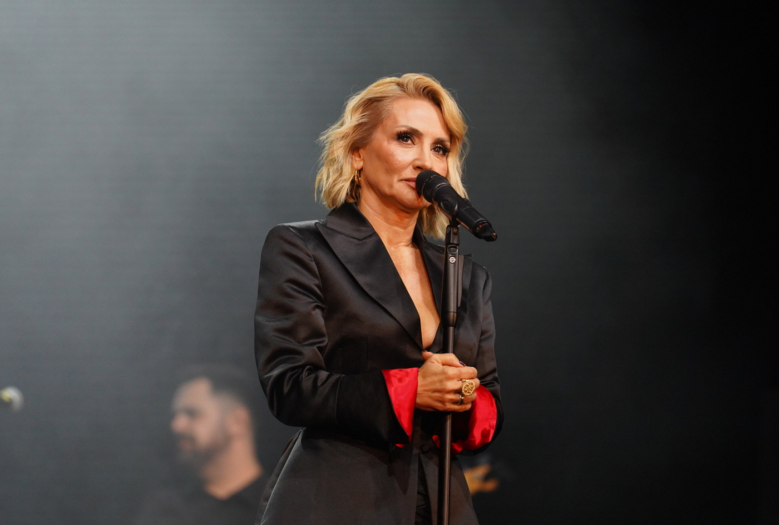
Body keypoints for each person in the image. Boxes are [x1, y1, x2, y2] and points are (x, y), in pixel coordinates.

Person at [254, 73, 503, 525]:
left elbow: (489, 406)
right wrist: (410, 390)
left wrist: (464, 392)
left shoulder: (468, 277)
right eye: (406, 138)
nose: (425, 161)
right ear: (357, 153)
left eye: (439, 148)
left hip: (442, 502)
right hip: (339, 499)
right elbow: (289, 386)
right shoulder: (304, 248)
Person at [134, 365, 264, 525]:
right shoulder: (165, 511)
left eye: (192, 413)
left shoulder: (281, 504)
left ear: (237, 421)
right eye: (175, 415)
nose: (176, 426)